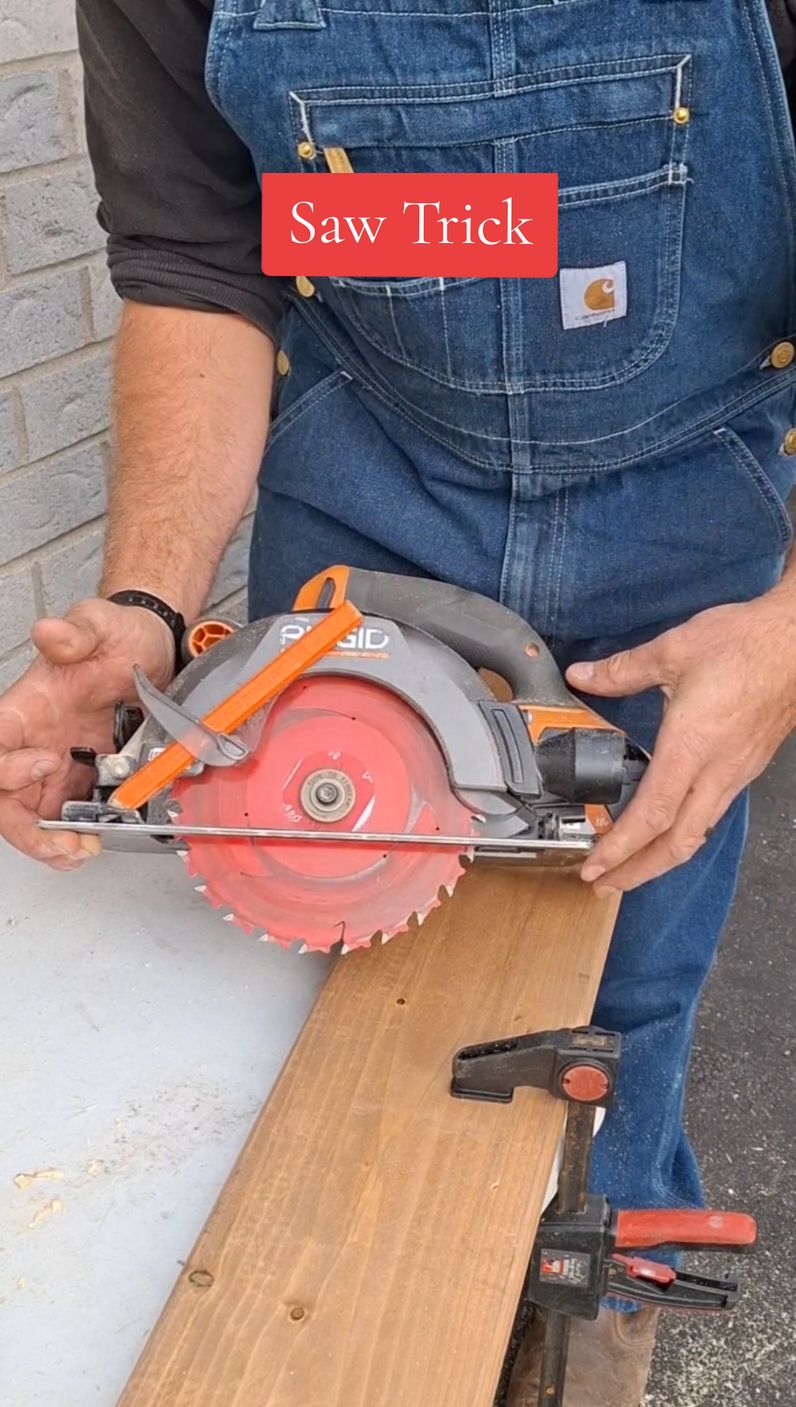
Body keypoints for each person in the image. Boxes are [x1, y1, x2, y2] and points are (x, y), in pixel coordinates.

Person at [2, 2, 796, 1401]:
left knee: (632, 973)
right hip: (367, 471)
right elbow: (198, 263)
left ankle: (602, 1273)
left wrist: (789, 636)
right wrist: (143, 615)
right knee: (319, 977)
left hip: (687, 514)